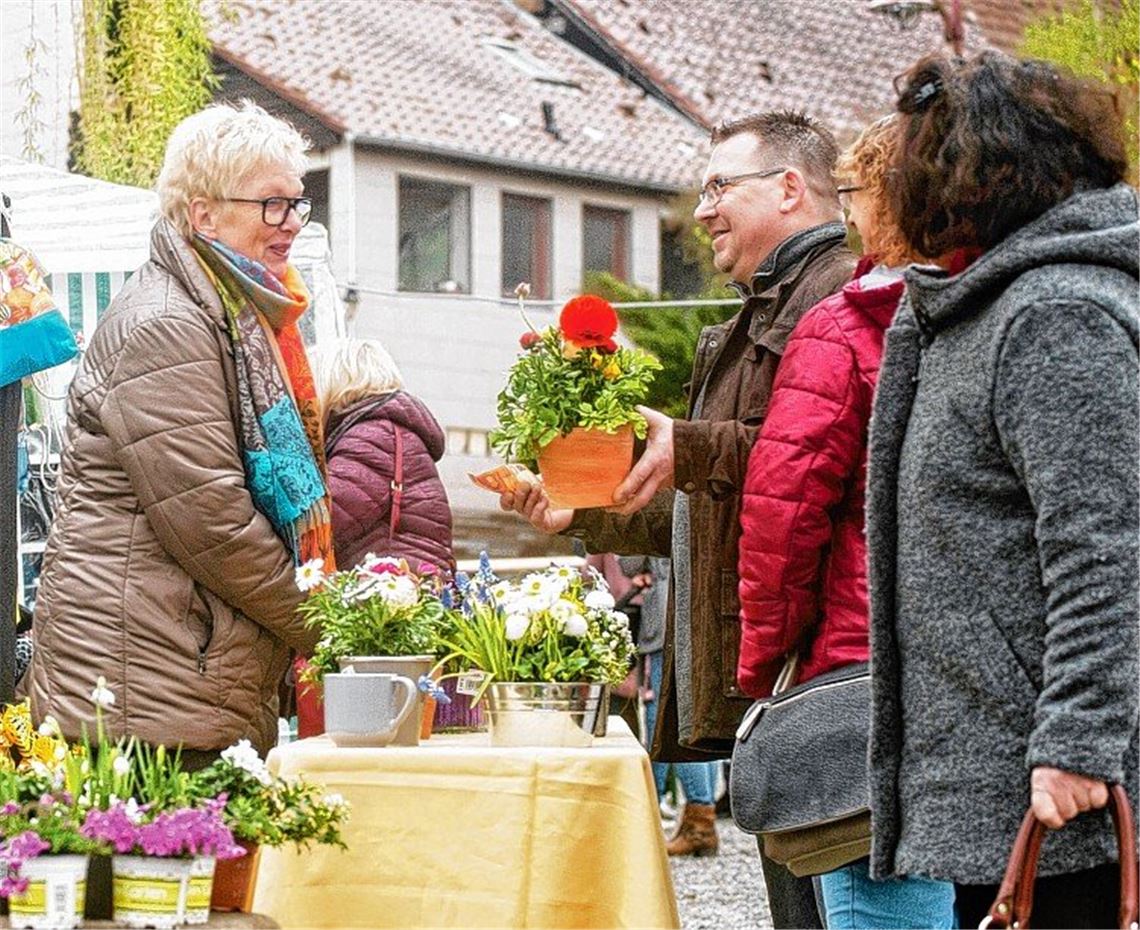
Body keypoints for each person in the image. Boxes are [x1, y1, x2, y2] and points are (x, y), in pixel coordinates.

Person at [502, 110, 856, 929]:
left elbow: (821, 472)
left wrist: (693, 446)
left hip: (819, 671)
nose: (702, 210)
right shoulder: (757, 311)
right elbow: (711, 502)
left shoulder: (833, 298)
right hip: (775, 677)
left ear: (791, 189)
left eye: (720, 187)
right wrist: (583, 511)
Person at [866, 52, 1137, 929]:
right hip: (1012, 777)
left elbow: (1104, 549)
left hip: (1068, 794)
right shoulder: (987, 306)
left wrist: (1077, 745)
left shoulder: (1055, 314)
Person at [22, 101, 331, 764]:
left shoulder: (227, 314)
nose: (292, 224)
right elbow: (211, 520)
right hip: (142, 692)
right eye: (272, 204)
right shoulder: (168, 325)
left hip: (171, 681)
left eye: (297, 203)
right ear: (203, 214)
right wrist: (330, 622)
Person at [736, 114, 955, 928]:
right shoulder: (1019, 309)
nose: (850, 214)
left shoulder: (849, 324)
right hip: (994, 680)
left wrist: (766, 665)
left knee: (880, 892)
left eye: (858, 194)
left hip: (862, 664)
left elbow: (781, 519)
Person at [319, 338, 454, 573]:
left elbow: (327, 517)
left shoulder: (375, 434)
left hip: (390, 593)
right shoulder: (389, 430)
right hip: (414, 585)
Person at [637, 556, 723, 857]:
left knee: (672, 718)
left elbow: (629, 563)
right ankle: (700, 818)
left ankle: (701, 823)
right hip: (700, 613)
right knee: (695, 718)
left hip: (666, 620)